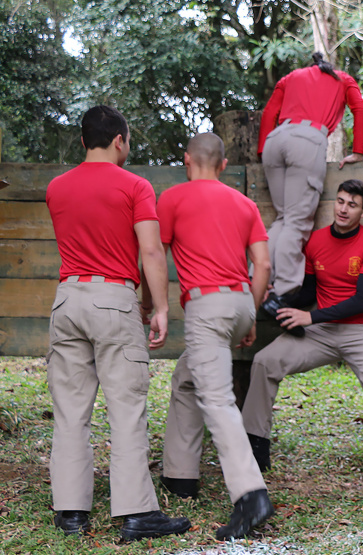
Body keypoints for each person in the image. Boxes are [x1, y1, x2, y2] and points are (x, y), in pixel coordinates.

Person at [44, 105, 190, 540]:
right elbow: (150, 250)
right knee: (126, 409)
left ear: (83, 141)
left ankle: (71, 512)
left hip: (67, 299)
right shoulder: (135, 186)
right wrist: (158, 306)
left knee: (70, 410)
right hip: (113, 299)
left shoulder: (56, 188)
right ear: (119, 140)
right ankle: (137, 512)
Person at [242, 179, 363, 497]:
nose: (344, 209)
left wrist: (310, 317)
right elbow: (309, 292)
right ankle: (256, 451)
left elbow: (362, 301)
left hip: (361, 330)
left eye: (352, 204)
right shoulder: (317, 241)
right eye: (340, 201)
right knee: (264, 361)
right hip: (321, 332)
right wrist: (277, 300)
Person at [156, 133, 275, 540]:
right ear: (223, 165)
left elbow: (156, 255)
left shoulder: (172, 199)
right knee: (188, 376)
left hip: (206, 306)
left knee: (217, 400)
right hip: (241, 302)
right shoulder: (244, 204)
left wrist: (151, 303)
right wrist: (251, 315)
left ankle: (250, 494)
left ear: (186, 160)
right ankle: (180, 475)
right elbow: (263, 265)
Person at [257, 52, 363, 317]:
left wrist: (262, 150)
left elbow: (270, 112)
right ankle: (282, 293)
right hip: (307, 139)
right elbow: (360, 109)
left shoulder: (291, 77)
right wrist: (358, 151)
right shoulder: (342, 79)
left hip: (275, 140)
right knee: (297, 222)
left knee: (284, 218)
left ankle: (257, 281)